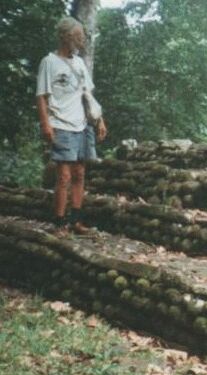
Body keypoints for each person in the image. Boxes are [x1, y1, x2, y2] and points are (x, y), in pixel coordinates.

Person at [36, 16, 107, 235]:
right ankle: (59, 223)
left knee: (79, 174)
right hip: (61, 124)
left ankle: (75, 221)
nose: (82, 39)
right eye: (78, 36)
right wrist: (46, 124)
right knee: (64, 176)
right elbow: (41, 97)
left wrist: (99, 121)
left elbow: (88, 95)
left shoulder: (79, 63)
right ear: (66, 37)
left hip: (82, 124)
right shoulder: (49, 62)